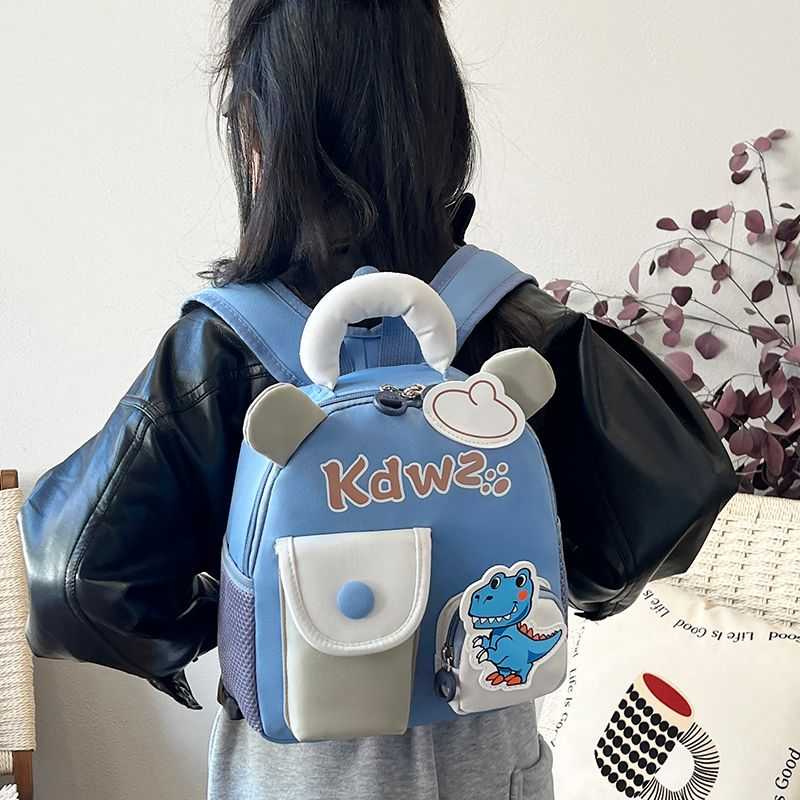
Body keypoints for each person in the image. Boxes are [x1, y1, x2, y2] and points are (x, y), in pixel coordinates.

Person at [19, 2, 735, 799]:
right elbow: (676, 493)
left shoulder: (222, 349)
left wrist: (227, 616)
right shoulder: (510, 322)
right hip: (490, 766)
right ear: (439, 112)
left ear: (261, 128)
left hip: (297, 779)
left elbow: (72, 581)